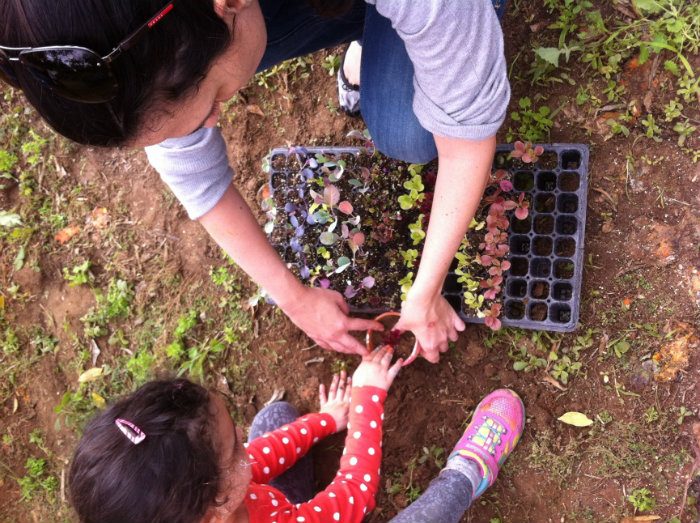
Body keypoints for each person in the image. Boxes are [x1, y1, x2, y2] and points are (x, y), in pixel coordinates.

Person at [0, 0, 510, 362]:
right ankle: (378, 30)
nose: (214, 123)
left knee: (409, 134)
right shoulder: (150, 28)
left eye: (213, 102)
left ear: (226, 5)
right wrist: (292, 296)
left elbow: (466, 135)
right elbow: (190, 166)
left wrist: (425, 292)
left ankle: (429, 22)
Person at [68, 347, 524, 522]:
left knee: (276, 418)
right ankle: (467, 474)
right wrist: (366, 399)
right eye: (235, 450)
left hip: (262, 506)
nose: (248, 445)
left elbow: (263, 455)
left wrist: (329, 421)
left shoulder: (197, 503)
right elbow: (355, 495)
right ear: (216, 506)